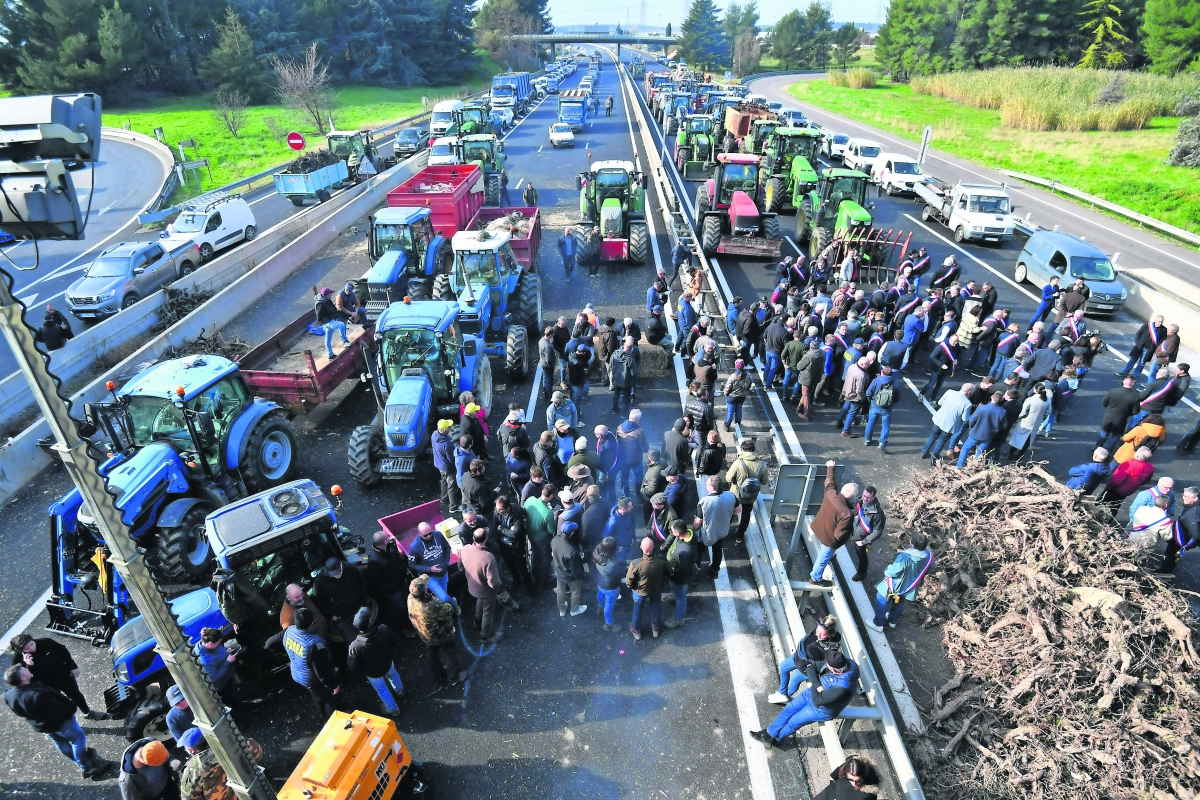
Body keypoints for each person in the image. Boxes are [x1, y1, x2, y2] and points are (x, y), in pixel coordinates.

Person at [4, 663, 112, 779]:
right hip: (61, 723)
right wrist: (70, 711)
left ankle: (81, 758)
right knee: (78, 739)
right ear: (23, 678)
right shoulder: (37, 695)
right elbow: (60, 708)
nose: (27, 669)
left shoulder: (9, 695)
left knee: (61, 742)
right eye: (24, 669)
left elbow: (19, 713)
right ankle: (87, 768)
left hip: (43, 726)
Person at [750, 649, 859, 747]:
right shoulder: (842, 662)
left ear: (834, 671)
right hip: (811, 695)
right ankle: (769, 734)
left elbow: (817, 701)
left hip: (821, 709)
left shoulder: (843, 687)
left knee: (793, 722)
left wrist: (815, 682)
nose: (825, 663)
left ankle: (776, 739)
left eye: (827, 664)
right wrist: (818, 686)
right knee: (788, 709)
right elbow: (811, 667)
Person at [8, 634, 108, 720]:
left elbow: (63, 651)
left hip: (64, 676)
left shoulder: (45, 642)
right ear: (20, 650)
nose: (32, 648)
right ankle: (69, 722)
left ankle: (88, 713)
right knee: (58, 704)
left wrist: (73, 667)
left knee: (76, 695)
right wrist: (29, 665)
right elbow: (25, 678)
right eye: (27, 649)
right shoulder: (18, 659)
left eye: (31, 644)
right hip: (46, 686)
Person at [276, 607, 341, 717]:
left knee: (316, 696)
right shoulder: (314, 644)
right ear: (312, 622)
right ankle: (334, 719)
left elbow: (269, 643)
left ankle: (322, 714)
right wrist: (334, 685)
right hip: (311, 679)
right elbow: (322, 673)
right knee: (330, 699)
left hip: (298, 674)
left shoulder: (288, 631)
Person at [408, 575, 470, 685]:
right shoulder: (432, 604)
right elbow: (448, 611)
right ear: (425, 590)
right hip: (440, 634)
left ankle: (438, 675)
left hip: (424, 633)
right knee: (449, 652)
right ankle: (453, 677)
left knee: (432, 652)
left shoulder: (410, 599)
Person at [867, 532, 933, 631]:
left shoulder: (905, 557)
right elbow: (930, 569)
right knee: (900, 600)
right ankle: (892, 620)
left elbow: (893, 572)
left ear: (912, 544)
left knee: (881, 597)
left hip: (895, 583)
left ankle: (878, 623)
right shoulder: (928, 556)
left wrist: (887, 570)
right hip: (910, 585)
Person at [461, 528, 518, 643]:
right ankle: (485, 636)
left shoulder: (465, 549)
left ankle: (477, 621)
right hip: (486, 591)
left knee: (480, 601)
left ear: (473, 539)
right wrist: (497, 589)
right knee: (488, 612)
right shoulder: (488, 557)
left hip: (472, 587)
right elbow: (493, 582)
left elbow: (460, 566)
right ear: (486, 538)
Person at [768, 615, 841, 703]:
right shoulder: (821, 627)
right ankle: (782, 694)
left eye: (823, 634)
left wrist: (831, 667)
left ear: (830, 634)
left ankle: (785, 697)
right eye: (818, 631)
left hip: (808, 667)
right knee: (783, 667)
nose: (819, 635)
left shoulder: (831, 647)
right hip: (798, 656)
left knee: (794, 680)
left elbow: (829, 661)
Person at [177, 727, 264, 800]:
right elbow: (258, 754)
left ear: (192, 751)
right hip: (252, 794)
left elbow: (188, 798)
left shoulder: (192, 771)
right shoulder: (231, 745)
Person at [347, 607, 404, 715]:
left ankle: (393, 709)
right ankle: (400, 691)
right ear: (370, 621)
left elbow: (353, 667)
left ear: (355, 626)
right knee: (393, 675)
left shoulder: (355, 646)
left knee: (382, 690)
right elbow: (395, 641)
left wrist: (363, 670)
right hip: (387, 663)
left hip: (373, 673)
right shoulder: (383, 629)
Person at [809, 460, 856, 586]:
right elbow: (840, 534)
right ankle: (815, 578)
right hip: (828, 539)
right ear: (852, 498)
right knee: (823, 558)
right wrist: (834, 544)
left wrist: (830, 467)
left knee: (826, 553)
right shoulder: (847, 514)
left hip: (817, 527)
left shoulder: (831, 494)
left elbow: (829, 482)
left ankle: (829, 555)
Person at [314, 557, 369, 645]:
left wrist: (362, 602)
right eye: (334, 574)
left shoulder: (351, 568)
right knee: (354, 643)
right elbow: (319, 600)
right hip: (341, 618)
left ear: (341, 565)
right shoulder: (320, 580)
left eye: (338, 572)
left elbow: (362, 584)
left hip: (357, 610)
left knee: (369, 636)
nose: (337, 575)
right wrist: (330, 615)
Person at [408, 523, 460, 611]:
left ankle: (446, 607)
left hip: (444, 572)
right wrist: (430, 569)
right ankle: (455, 607)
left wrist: (446, 562)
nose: (429, 536)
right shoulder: (415, 547)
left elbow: (446, 547)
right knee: (444, 598)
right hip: (430, 578)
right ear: (419, 534)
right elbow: (412, 565)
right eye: (425, 535)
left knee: (444, 594)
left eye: (430, 533)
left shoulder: (438, 534)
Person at [727, 439, 766, 542]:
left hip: (736, 494)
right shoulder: (762, 464)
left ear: (743, 449)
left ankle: (725, 530)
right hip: (750, 496)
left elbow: (728, 478)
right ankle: (739, 536)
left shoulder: (738, 463)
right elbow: (764, 482)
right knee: (746, 515)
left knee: (729, 512)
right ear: (753, 450)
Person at [492, 495, 534, 593]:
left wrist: (501, 528)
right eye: (497, 509)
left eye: (500, 509)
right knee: (510, 565)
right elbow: (494, 526)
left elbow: (515, 534)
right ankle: (517, 581)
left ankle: (529, 589)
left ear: (507, 507)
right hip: (504, 545)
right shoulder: (498, 511)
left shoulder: (517, 512)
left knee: (522, 567)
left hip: (517, 545)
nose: (498, 511)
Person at [626, 537, 666, 640]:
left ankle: (636, 631)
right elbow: (667, 573)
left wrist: (633, 588)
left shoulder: (635, 564)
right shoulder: (661, 562)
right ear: (653, 547)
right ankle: (655, 629)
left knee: (638, 610)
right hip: (656, 590)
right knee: (655, 607)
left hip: (640, 592)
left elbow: (629, 582)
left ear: (640, 548)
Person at [662, 520, 698, 628]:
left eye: (673, 531)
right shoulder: (689, 532)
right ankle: (674, 595)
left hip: (678, 578)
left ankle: (679, 618)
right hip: (674, 575)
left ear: (678, 533)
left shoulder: (685, 551)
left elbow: (685, 570)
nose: (672, 533)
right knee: (678, 593)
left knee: (681, 598)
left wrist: (671, 572)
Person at [956, 391, 1007, 467]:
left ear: (992, 397)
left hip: (976, 433)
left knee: (965, 449)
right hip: (989, 436)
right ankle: (975, 467)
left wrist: (971, 428)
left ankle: (959, 465)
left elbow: (972, 420)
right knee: (980, 452)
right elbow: (1004, 426)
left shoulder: (982, 408)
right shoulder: (1002, 411)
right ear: (1001, 400)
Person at [1100, 447, 1156, 512]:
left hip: (1116, 489)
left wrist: (1108, 486)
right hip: (1129, 490)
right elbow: (1146, 480)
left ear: (1137, 455)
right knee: (1115, 506)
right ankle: (1109, 520)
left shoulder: (1129, 464)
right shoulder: (1150, 467)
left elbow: (1117, 480)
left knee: (1102, 501)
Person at [524, 484, 558, 588]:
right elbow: (551, 530)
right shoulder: (548, 513)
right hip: (542, 539)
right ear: (551, 496)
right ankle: (544, 579)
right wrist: (555, 517)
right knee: (545, 558)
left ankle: (534, 575)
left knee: (535, 555)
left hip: (530, 535)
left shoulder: (530, 500)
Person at [552, 521, 589, 617]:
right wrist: (582, 576)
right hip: (570, 576)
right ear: (572, 533)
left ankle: (562, 610)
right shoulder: (572, 551)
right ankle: (574, 610)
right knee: (576, 591)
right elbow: (575, 569)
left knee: (560, 590)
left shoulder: (555, 539)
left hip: (559, 572)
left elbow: (553, 553)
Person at [848, 486, 885, 582]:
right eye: (864, 496)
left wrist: (864, 541)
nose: (864, 499)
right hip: (852, 530)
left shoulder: (878, 514)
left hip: (861, 538)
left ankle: (862, 573)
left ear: (873, 498)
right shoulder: (859, 500)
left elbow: (877, 532)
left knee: (861, 555)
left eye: (868, 498)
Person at [1160, 486, 1200, 573]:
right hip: (1182, 534)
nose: (1183, 498)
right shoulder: (1193, 505)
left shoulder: (1191, 515)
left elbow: (1196, 534)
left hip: (1182, 538)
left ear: (1195, 498)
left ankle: (1164, 572)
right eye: (1184, 496)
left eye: (1187, 497)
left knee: (1170, 555)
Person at [593, 537, 625, 631]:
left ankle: (599, 606)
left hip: (600, 582)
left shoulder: (597, 552)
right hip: (611, 587)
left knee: (600, 594)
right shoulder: (613, 564)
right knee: (609, 606)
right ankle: (609, 624)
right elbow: (621, 574)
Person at [862, 366, 897, 453]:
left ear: (882, 372)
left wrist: (872, 401)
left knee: (870, 424)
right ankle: (882, 443)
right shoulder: (895, 383)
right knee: (886, 426)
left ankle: (867, 440)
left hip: (875, 406)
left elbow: (868, 393)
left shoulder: (876, 380)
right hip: (887, 409)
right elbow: (897, 397)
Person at [616, 410, 650, 499]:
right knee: (638, 478)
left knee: (624, 477)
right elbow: (645, 449)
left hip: (623, 459)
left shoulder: (619, 427)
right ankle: (639, 496)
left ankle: (625, 495)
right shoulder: (639, 431)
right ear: (638, 419)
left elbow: (617, 442)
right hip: (636, 460)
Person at [193, 627, 236, 693]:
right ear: (211, 644)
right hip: (223, 685)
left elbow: (217, 652)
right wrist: (228, 661)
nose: (219, 645)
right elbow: (214, 678)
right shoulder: (205, 661)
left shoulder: (203, 643)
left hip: (227, 674)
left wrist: (226, 652)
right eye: (218, 643)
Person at [815, 757, 881, 800]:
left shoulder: (868, 795)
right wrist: (833, 788)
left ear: (865, 776)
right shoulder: (850, 767)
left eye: (858, 781)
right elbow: (834, 775)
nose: (854, 783)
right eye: (850, 779)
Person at [315, 287, 349, 360]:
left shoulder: (326, 300)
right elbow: (319, 317)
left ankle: (330, 354)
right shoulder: (320, 303)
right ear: (326, 295)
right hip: (326, 322)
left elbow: (331, 309)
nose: (331, 294)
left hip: (330, 320)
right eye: (330, 293)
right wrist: (328, 321)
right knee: (341, 324)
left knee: (328, 338)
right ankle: (345, 341)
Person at [609, 337, 639, 418]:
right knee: (626, 398)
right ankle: (624, 414)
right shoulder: (631, 359)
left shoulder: (615, 354)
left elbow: (611, 365)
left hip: (617, 378)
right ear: (631, 348)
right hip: (627, 382)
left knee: (616, 394)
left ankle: (615, 409)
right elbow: (634, 373)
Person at [538, 327, 557, 401]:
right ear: (551, 335)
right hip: (547, 366)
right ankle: (549, 397)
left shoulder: (541, 340)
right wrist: (552, 365)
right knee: (549, 381)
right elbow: (549, 359)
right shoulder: (548, 346)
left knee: (545, 379)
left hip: (542, 363)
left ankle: (545, 393)